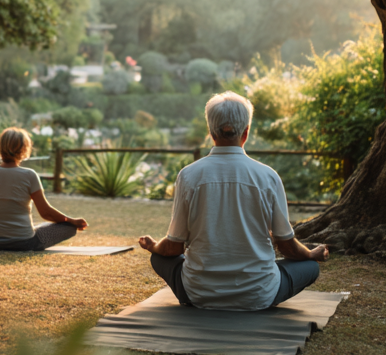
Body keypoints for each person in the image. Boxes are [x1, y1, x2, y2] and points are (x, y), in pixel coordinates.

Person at [137, 92, 329, 310]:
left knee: (158, 258)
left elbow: (173, 247)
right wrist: (310, 254)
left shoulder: (188, 176)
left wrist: (153, 246)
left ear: (211, 132)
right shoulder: (268, 176)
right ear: (246, 132)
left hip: (199, 293)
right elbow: (287, 247)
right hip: (259, 294)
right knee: (311, 267)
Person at [0, 127, 87, 250]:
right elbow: (46, 212)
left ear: (0, 147)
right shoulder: (29, 175)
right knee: (68, 227)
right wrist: (71, 221)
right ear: (24, 149)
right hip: (23, 243)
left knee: (40, 226)